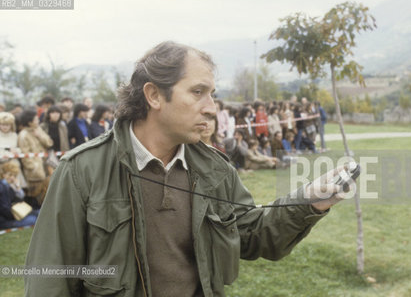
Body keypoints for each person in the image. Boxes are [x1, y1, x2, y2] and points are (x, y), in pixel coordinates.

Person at [25, 41, 347, 296]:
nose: (211, 108)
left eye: (212, 94)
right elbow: (50, 281)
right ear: (153, 95)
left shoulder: (214, 169)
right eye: (197, 92)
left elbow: (252, 233)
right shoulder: (82, 171)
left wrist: (309, 201)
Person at [17, 109, 53, 205]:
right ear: (29, 122)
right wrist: (34, 168)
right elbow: (25, 156)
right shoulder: (23, 135)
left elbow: (49, 142)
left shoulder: (38, 129)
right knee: (35, 196)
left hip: (45, 167)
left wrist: (40, 136)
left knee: (46, 195)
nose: (38, 121)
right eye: (36, 119)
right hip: (34, 173)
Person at [0, 161, 39, 230]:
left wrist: (17, 187)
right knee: (34, 219)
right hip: (6, 221)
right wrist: (17, 216)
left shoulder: (8, 186)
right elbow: (4, 209)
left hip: (14, 215)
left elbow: (20, 198)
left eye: (14, 176)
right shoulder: (3, 187)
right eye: (10, 175)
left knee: (38, 213)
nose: (12, 178)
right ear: (3, 175)